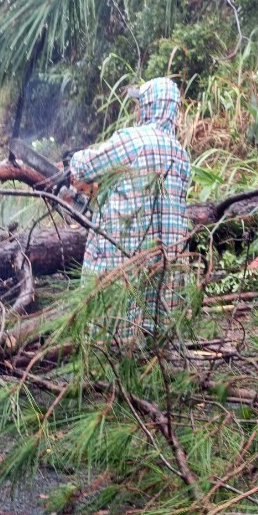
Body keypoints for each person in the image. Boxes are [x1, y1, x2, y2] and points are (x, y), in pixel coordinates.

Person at [69, 77, 191, 342]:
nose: (137, 111)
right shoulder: (181, 155)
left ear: (150, 107)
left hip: (122, 257)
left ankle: (103, 362)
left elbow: (85, 168)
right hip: (164, 263)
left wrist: (73, 158)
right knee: (153, 326)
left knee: (108, 328)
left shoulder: (133, 140)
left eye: (139, 104)